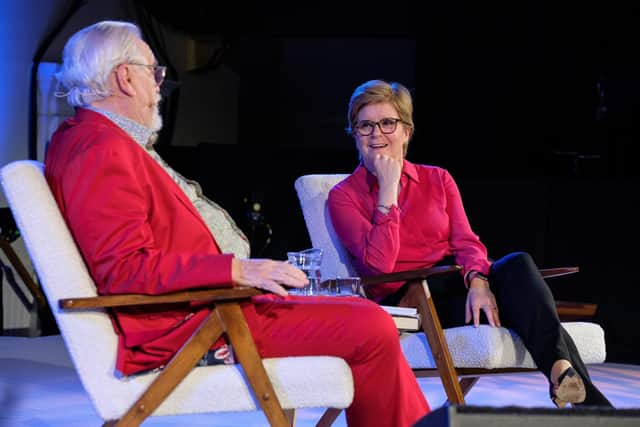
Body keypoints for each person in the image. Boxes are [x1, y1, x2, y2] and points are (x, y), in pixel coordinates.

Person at [44, 22, 429, 427]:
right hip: (196, 324)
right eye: (153, 71)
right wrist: (236, 270)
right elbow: (123, 269)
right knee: (368, 324)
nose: (160, 84)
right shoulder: (99, 149)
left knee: (362, 317)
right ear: (125, 77)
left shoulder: (101, 140)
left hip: (214, 306)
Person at [328, 79, 613, 408]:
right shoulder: (343, 197)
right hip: (414, 300)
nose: (377, 134)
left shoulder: (438, 179)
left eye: (388, 123)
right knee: (526, 305)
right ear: (354, 135)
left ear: (406, 132)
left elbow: (467, 243)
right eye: (365, 125)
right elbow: (378, 265)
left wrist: (478, 281)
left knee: (519, 263)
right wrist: (388, 192)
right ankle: (580, 391)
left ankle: (563, 372)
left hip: (460, 285)